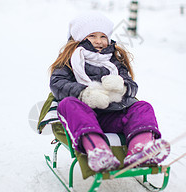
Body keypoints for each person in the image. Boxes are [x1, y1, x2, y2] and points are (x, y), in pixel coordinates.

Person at [49, 11, 170, 172]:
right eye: (92, 36)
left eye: (103, 36)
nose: (99, 41)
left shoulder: (114, 60)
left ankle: (140, 150)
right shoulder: (69, 60)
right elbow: (57, 83)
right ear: (80, 37)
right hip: (82, 118)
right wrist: (85, 94)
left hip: (112, 116)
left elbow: (131, 85)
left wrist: (122, 86)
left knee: (142, 106)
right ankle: (99, 152)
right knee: (67, 104)